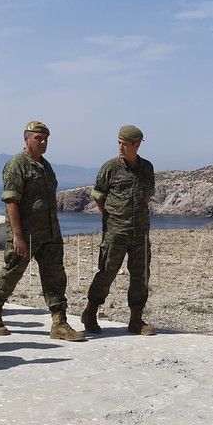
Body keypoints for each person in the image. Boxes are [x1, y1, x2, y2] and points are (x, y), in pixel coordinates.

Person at [0, 121, 84, 341]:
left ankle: (59, 323)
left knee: (56, 277)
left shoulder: (46, 167)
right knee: (12, 273)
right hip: (25, 233)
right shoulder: (17, 164)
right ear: (26, 139)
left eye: (46, 138)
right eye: (38, 138)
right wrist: (18, 235)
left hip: (49, 233)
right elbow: (11, 201)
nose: (43, 142)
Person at [82, 125, 156, 336]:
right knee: (107, 272)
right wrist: (112, 216)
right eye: (119, 143)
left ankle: (135, 320)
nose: (120, 147)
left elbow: (147, 195)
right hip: (116, 231)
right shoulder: (110, 168)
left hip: (140, 231)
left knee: (141, 276)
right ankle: (90, 312)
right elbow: (98, 195)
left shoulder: (147, 168)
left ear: (136, 144)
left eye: (125, 144)